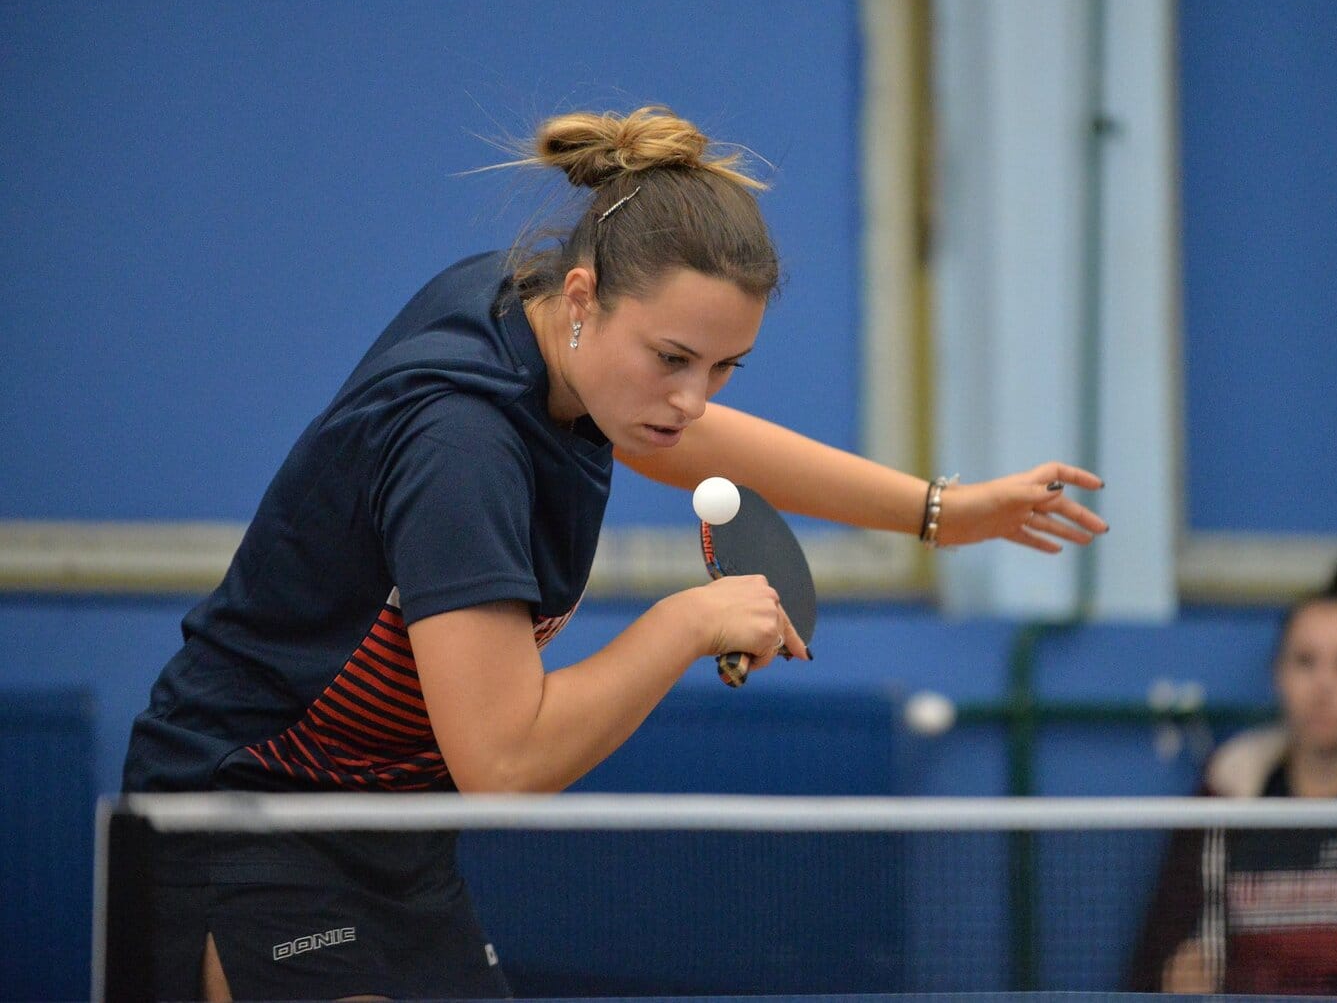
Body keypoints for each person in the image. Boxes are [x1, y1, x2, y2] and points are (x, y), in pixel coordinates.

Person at [121, 105, 1108, 1001]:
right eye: (674, 357)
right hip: (245, 816)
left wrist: (941, 510)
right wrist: (685, 622)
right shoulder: (461, 447)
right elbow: (504, 763)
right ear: (586, 297)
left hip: (392, 831)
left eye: (724, 367)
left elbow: (693, 439)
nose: (693, 396)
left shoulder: (543, 323)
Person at [1128, 562, 1337, 996]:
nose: (1323, 685)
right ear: (1277, 674)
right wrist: (1175, 978)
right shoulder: (1221, 797)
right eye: (1305, 661)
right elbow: (1152, 962)